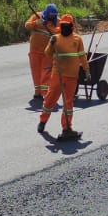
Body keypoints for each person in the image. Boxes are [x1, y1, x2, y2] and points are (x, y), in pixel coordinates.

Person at [39, 13, 89, 142]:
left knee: (68, 104)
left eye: (67, 25)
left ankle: (67, 128)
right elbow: (47, 54)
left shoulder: (77, 39)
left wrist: (87, 70)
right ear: (60, 26)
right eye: (63, 25)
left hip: (72, 77)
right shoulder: (55, 38)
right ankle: (42, 122)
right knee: (50, 99)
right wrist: (51, 44)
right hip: (57, 75)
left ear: (72, 26)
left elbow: (82, 56)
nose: (65, 27)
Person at [25, 3, 60, 104]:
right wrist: (36, 23)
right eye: (50, 16)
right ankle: (38, 92)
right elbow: (27, 25)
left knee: (46, 73)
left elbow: (60, 32)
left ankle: (46, 93)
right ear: (47, 13)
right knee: (36, 73)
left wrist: (50, 27)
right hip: (34, 52)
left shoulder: (58, 21)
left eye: (54, 16)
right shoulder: (38, 16)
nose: (52, 17)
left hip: (47, 52)